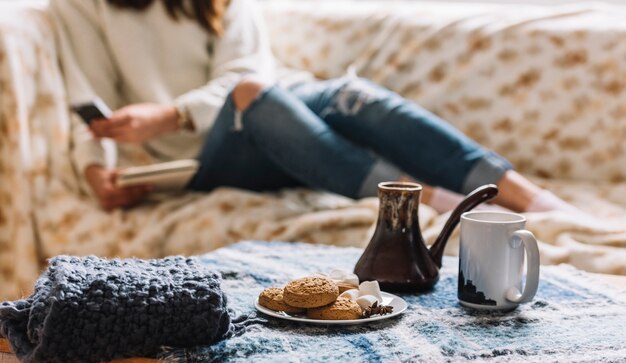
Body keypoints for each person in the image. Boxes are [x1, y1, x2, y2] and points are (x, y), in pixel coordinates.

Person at [50, 0, 578, 214]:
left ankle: (531, 199)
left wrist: (173, 111)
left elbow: (247, 71)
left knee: (353, 94)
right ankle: (429, 201)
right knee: (255, 97)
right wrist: (98, 172)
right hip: (207, 156)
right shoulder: (77, 6)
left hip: (279, 112)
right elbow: (87, 104)